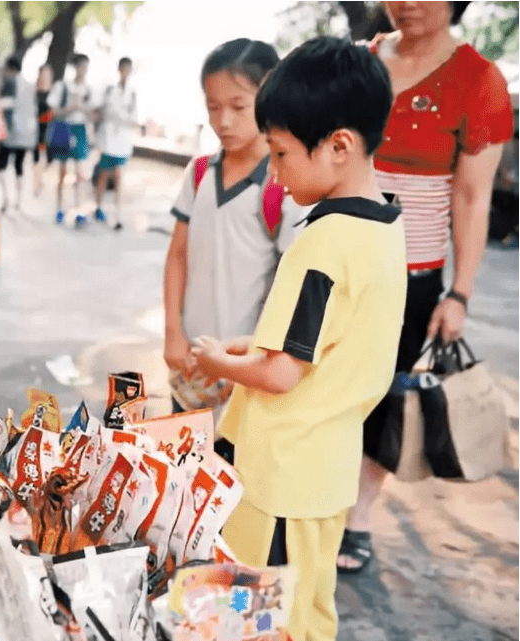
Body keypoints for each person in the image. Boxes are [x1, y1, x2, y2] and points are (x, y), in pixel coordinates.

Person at [195, 37, 406, 641]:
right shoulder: (385, 228)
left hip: (279, 473)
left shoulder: (323, 243)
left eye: (282, 154)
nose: (277, 174)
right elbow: (323, 343)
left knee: (261, 612)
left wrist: (217, 360)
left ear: (338, 145)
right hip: (327, 464)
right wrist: (250, 345)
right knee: (310, 607)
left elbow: (282, 372)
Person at [338, 0, 515, 574]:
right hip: (334, 262)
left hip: (411, 279)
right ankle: (310, 501)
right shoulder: (358, 62)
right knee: (320, 387)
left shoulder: (478, 81)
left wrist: (458, 293)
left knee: (387, 401)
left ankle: (357, 517)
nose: (407, 2)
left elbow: (470, 197)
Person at [162, 39, 301, 451]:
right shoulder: (200, 172)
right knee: (182, 473)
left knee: (231, 476)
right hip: (191, 363)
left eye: (239, 107)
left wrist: (248, 359)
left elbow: (287, 284)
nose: (223, 120)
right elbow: (177, 257)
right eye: (212, 107)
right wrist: (173, 333)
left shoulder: (283, 184)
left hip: (245, 368)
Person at [48, 53, 93, 227]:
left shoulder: (88, 90)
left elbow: (94, 114)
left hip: (81, 130)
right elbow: (53, 110)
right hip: (65, 129)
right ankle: (59, 208)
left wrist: (84, 109)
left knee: (80, 174)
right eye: (81, 67)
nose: (83, 71)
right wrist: (70, 108)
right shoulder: (63, 87)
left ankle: (78, 209)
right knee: (62, 173)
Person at [93, 57, 138, 231]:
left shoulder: (132, 93)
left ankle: (116, 213)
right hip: (108, 139)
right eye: (124, 68)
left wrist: (121, 117)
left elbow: (134, 118)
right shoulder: (109, 90)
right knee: (104, 175)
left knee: (119, 176)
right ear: (119, 69)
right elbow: (101, 111)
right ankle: (99, 207)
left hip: (123, 141)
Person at [0, 55, 37, 212]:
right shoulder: (28, 85)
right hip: (25, 134)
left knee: (3, 166)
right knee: (19, 167)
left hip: (8, 133)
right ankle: (19, 201)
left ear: (10, 69)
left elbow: (5, 104)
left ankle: (6, 199)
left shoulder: (10, 82)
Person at [32, 63, 55, 196]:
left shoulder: (54, 92)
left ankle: (43, 180)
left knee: (49, 159)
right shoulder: (34, 92)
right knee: (36, 159)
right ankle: (37, 184)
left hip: (50, 129)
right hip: (36, 129)